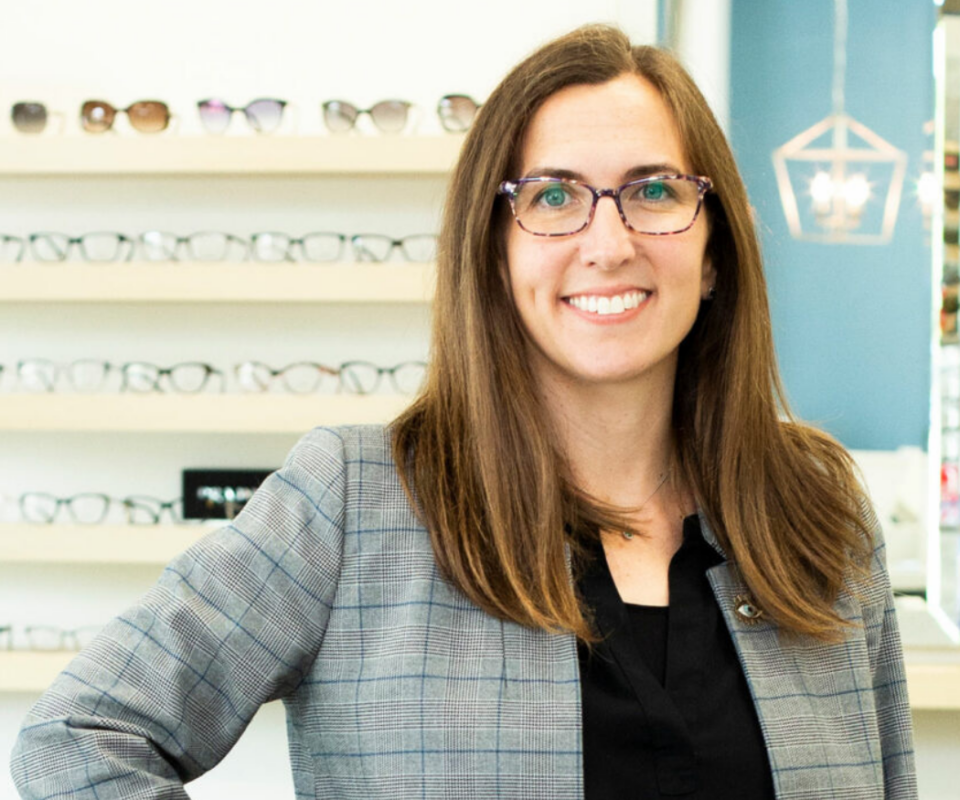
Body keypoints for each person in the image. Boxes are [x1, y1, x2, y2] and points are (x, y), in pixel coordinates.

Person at [11, 24, 917, 800]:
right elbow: (78, 742)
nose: (609, 243)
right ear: (493, 253)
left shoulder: (820, 515)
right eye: (554, 197)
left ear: (715, 251)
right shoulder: (353, 501)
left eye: (654, 192)